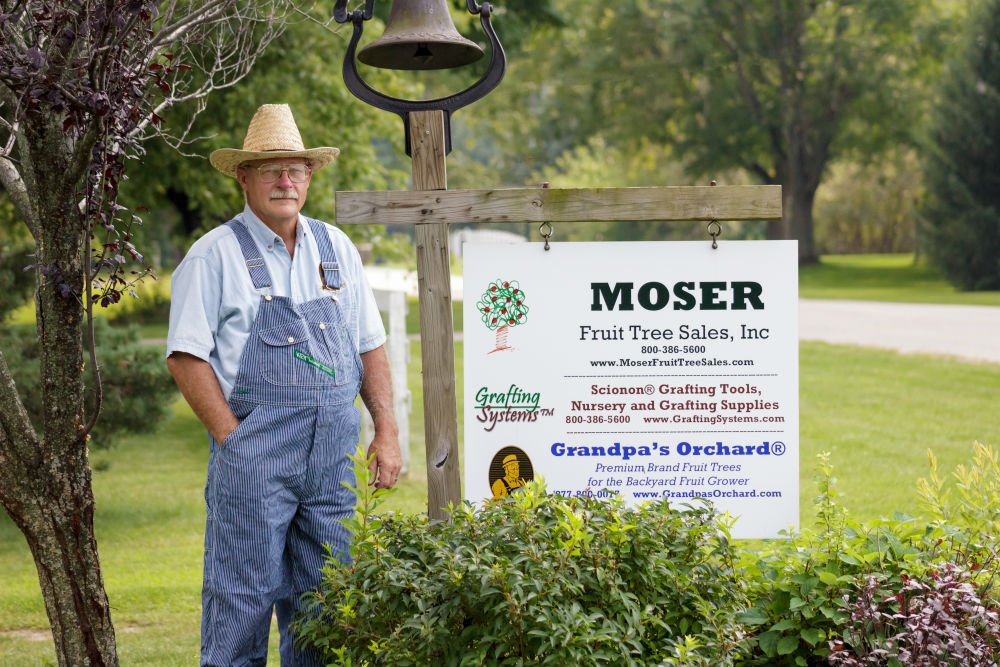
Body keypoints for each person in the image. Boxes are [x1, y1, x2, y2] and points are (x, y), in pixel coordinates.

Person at [166, 104, 402, 667]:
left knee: (329, 606)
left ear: (310, 177)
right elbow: (185, 357)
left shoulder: (336, 247)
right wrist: (233, 439)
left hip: (332, 461)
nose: (285, 180)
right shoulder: (214, 254)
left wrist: (386, 431)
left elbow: (369, 344)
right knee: (241, 604)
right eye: (270, 168)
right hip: (255, 455)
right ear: (243, 177)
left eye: (295, 168)